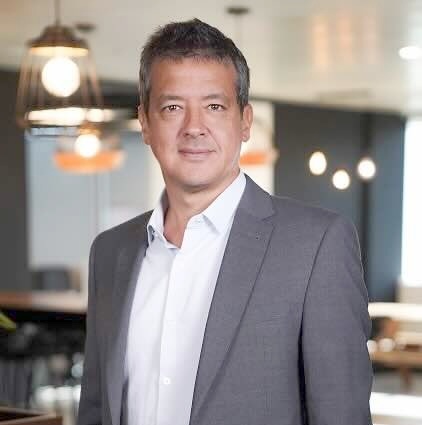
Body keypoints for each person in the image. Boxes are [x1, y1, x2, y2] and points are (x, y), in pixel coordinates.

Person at [78, 18, 373, 425]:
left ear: (245, 121)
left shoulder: (316, 246)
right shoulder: (110, 253)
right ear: (145, 122)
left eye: (214, 107)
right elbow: (96, 409)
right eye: (172, 107)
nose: (194, 128)